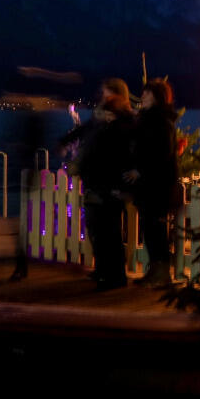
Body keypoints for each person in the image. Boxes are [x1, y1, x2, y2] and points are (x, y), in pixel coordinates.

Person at [79, 78, 139, 290]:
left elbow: (121, 152)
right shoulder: (102, 120)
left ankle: (114, 276)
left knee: (110, 232)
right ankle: (104, 271)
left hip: (110, 183)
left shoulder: (125, 121)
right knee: (97, 229)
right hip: (97, 182)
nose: (103, 98)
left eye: (107, 94)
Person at [127, 78, 180, 287]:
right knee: (149, 230)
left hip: (159, 186)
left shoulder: (162, 122)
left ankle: (162, 274)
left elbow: (162, 154)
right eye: (143, 93)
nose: (143, 97)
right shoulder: (146, 119)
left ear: (157, 98)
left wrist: (140, 170)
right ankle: (154, 271)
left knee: (157, 231)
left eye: (148, 94)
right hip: (148, 187)